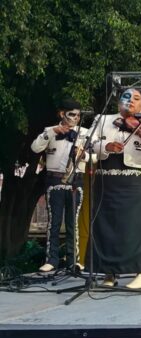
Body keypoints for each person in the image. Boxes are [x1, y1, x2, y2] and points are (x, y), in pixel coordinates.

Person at [90, 89, 141, 289]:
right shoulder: (103, 119)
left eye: (136, 98)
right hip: (106, 180)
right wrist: (106, 147)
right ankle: (109, 273)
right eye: (126, 96)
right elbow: (89, 143)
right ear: (118, 101)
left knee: (135, 227)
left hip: (135, 182)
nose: (130, 101)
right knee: (107, 226)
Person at [31, 98, 88, 272]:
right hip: (54, 180)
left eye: (78, 115)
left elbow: (95, 157)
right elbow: (35, 148)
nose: (75, 118)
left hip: (75, 180)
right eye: (72, 114)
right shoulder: (49, 131)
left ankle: (73, 261)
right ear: (62, 114)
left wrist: (84, 155)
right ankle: (51, 260)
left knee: (73, 224)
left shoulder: (85, 133)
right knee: (53, 223)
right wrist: (51, 132)